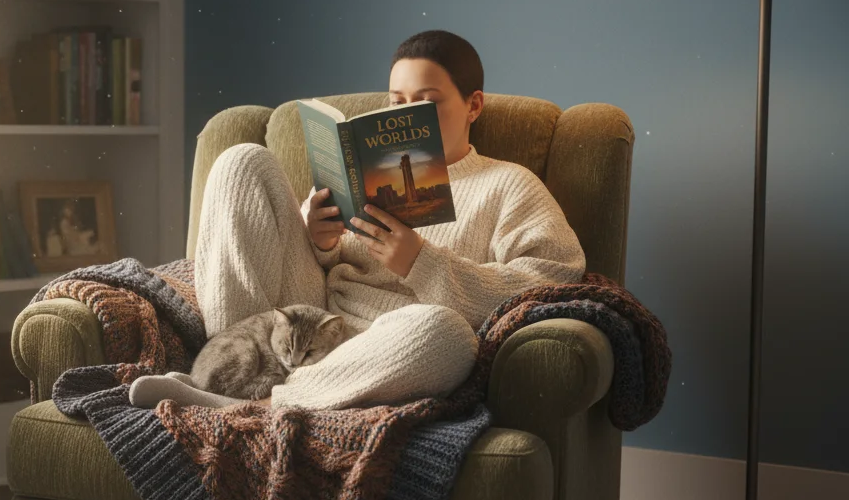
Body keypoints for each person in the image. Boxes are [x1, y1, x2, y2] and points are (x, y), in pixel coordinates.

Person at [129, 30, 587, 411]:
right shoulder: (366, 165)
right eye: (398, 101)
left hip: (390, 345)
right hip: (310, 320)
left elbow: (552, 280)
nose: (406, 115)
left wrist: (424, 263)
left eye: (426, 103)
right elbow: (283, 259)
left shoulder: (508, 184)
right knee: (241, 161)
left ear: (473, 105)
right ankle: (226, 375)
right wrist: (317, 236)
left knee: (448, 337)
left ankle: (252, 405)